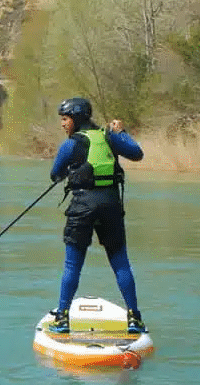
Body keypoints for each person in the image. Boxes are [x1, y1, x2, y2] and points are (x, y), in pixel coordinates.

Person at [47, 97, 146, 335]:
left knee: (72, 265)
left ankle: (62, 319)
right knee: (120, 262)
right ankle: (134, 318)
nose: (62, 124)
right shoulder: (110, 137)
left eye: (65, 119)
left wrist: (71, 172)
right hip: (111, 207)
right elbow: (137, 154)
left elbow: (55, 175)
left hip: (82, 207)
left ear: (76, 118)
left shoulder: (70, 145)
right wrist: (121, 133)